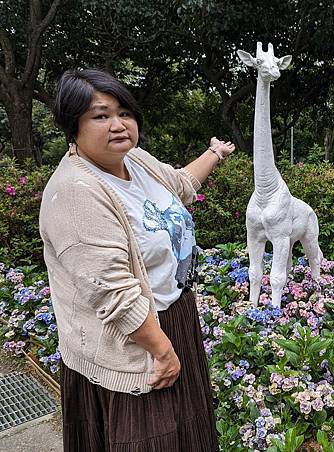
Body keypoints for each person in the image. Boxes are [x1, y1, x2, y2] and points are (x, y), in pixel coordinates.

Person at [39, 69, 235, 451]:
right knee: (151, 437)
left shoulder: (136, 161)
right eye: (101, 115)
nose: (118, 125)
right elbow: (113, 293)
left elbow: (179, 184)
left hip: (171, 316)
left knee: (185, 432)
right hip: (131, 341)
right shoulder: (75, 192)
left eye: (124, 113)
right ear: (72, 124)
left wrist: (215, 153)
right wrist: (162, 351)